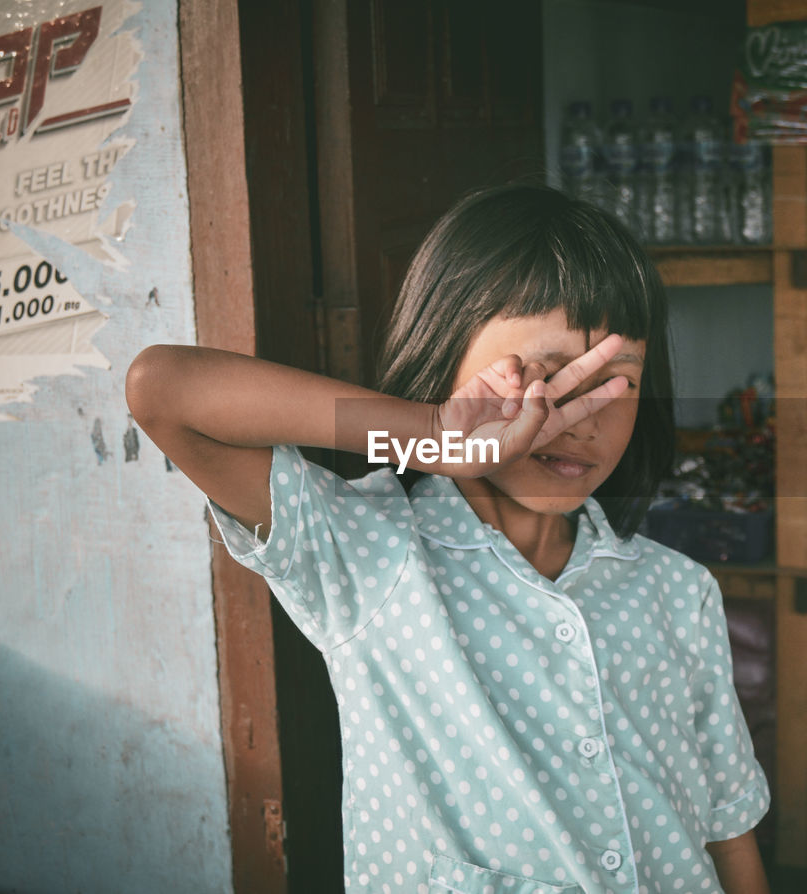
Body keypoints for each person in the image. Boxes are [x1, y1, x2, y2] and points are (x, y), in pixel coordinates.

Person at [126, 183, 770, 893]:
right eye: (544, 377)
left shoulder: (677, 590)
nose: (580, 418)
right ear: (444, 359)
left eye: (616, 385)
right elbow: (163, 390)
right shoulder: (371, 556)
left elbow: (725, 825)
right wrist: (430, 435)